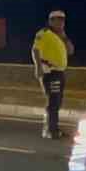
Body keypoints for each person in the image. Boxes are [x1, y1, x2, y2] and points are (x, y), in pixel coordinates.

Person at [31, 9, 75, 139]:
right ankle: (51, 130)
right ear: (51, 21)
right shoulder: (44, 33)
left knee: (57, 102)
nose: (61, 22)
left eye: (62, 20)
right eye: (57, 19)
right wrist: (38, 67)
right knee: (53, 101)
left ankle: (52, 128)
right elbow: (35, 50)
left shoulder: (60, 36)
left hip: (59, 72)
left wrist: (64, 37)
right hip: (50, 72)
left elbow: (71, 51)